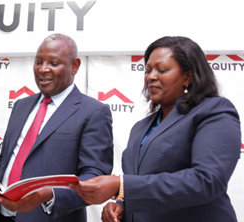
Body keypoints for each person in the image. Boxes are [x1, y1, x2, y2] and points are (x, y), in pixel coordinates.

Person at [70, 36, 241, 222]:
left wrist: (121, 185)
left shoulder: (214, 111)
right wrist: (120, 205)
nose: (151, 76)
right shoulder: (140, 127)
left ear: (188, 76)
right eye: (148, 70)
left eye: (162, 70)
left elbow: (206, 181)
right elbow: (141, 185)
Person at [0, 33, 114, 222]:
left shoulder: (94, 112)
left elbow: (95, 178)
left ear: (74, 66)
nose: (43, 69)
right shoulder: (20, 106)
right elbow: (2, 165)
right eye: (38, 62)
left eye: (54, 63)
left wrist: (49, 195)